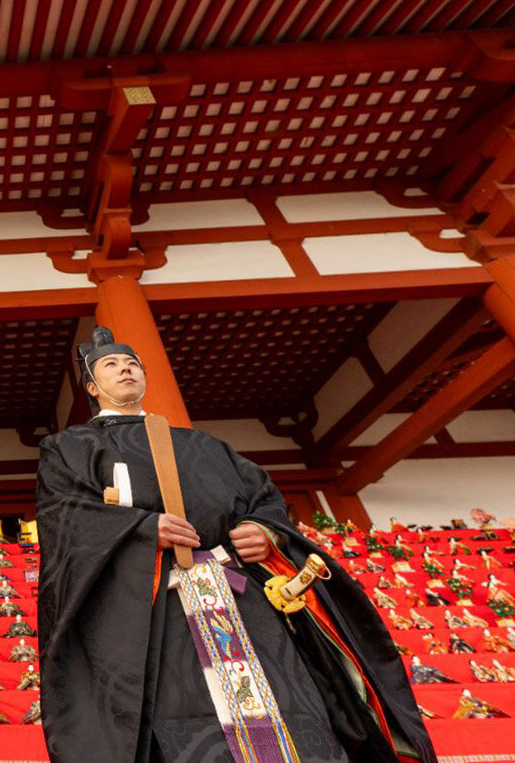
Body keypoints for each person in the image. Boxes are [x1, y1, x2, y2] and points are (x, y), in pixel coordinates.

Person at [37, 326, 434, 763]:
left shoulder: (205, 446)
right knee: (183, 715)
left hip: (242, 598)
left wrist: (266, 531)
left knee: (293, 703)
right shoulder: (70, 447)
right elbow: (64, 515)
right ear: (93, 387)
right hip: (154, 604)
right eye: (111, 365)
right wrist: (142, 529)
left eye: (132, 363)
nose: (125, 369)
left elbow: (263, 498)